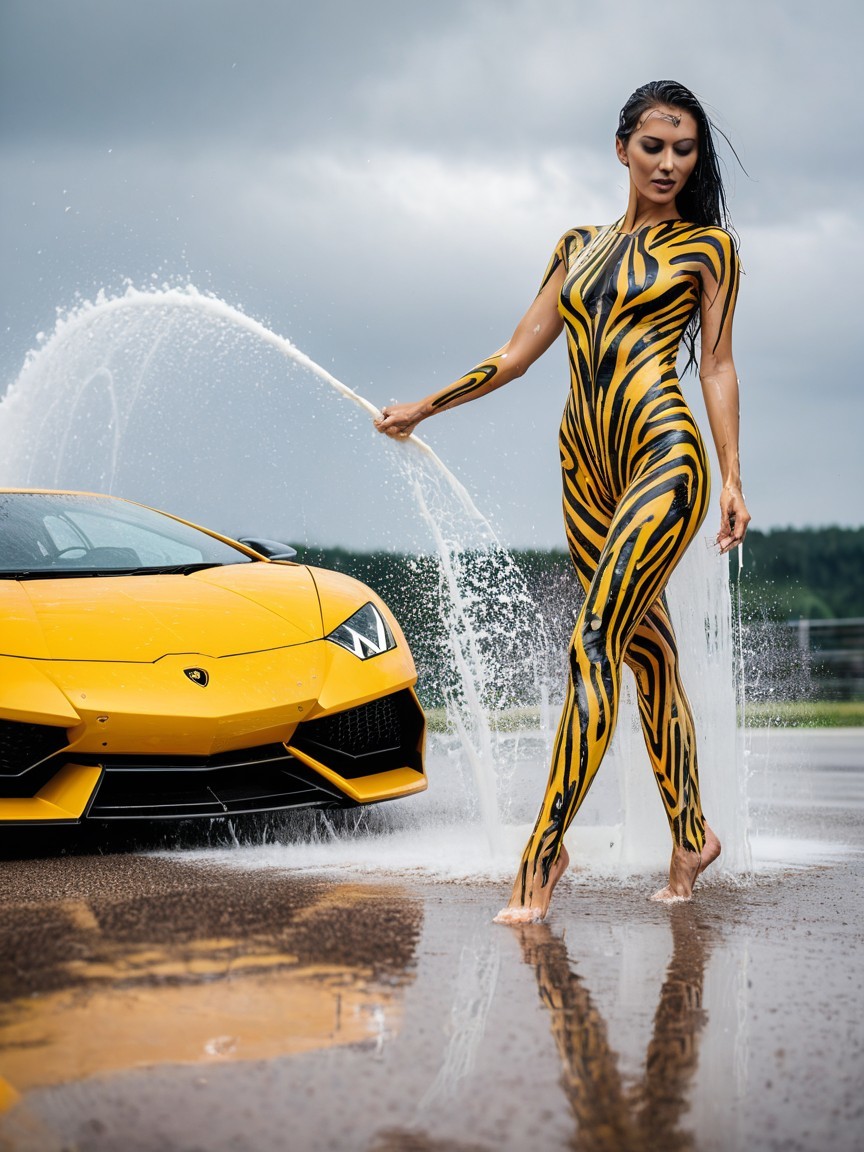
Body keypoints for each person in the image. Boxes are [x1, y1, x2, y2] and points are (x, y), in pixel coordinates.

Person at [374, 80, 750, 922]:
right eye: (653, 146)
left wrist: (731, 474)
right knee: (643, 653)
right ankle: (691, 835)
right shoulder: (575, 246)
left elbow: (717, 366)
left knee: (591, 644)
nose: (667, 163)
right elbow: (515, 354)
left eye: (683, 150)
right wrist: (425, 406)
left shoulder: (708, 251)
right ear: (622, 148)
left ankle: (543, 852)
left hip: (664, 455)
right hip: (584, 470)